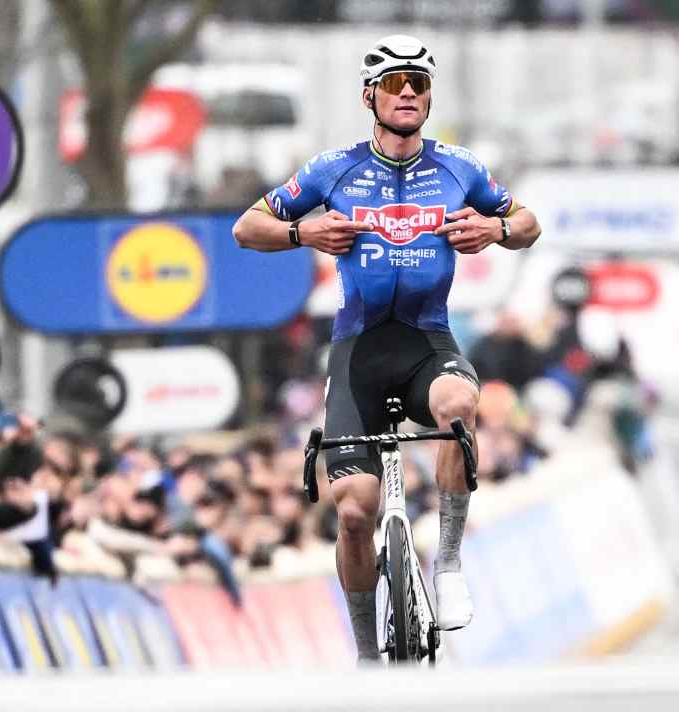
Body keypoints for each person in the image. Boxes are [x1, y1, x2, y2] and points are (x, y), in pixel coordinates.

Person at [232, 35, 541, 662]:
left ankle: (448, 563)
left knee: (459, 404)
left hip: (427, 339)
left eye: (419, 84)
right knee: (354, 512)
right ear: (370, 94)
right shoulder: (332, 169)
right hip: (358, 350)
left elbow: (529, 222)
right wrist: (301, 230)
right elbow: (247, 227)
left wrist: (498, 228)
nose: (408, 93)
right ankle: (368, 656)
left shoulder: (460, 167)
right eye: (396, 83)